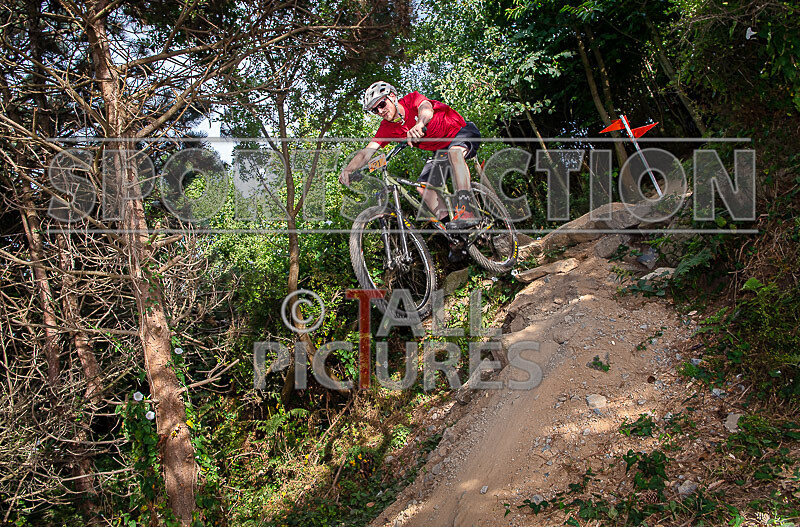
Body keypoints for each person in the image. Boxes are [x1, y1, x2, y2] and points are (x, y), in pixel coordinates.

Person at [339, 81, 481, 229]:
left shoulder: (411, 100)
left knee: (454, 153)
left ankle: (466, 211)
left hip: (460, 132)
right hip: (441, 151)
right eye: (375, 110)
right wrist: (349, 169)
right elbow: (366, 153)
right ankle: (454, 234)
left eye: (382, 104)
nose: (380, 111)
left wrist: (420, 123)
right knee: (424, 187)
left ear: (392, 96)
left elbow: (426, 109)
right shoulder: (387, 128)